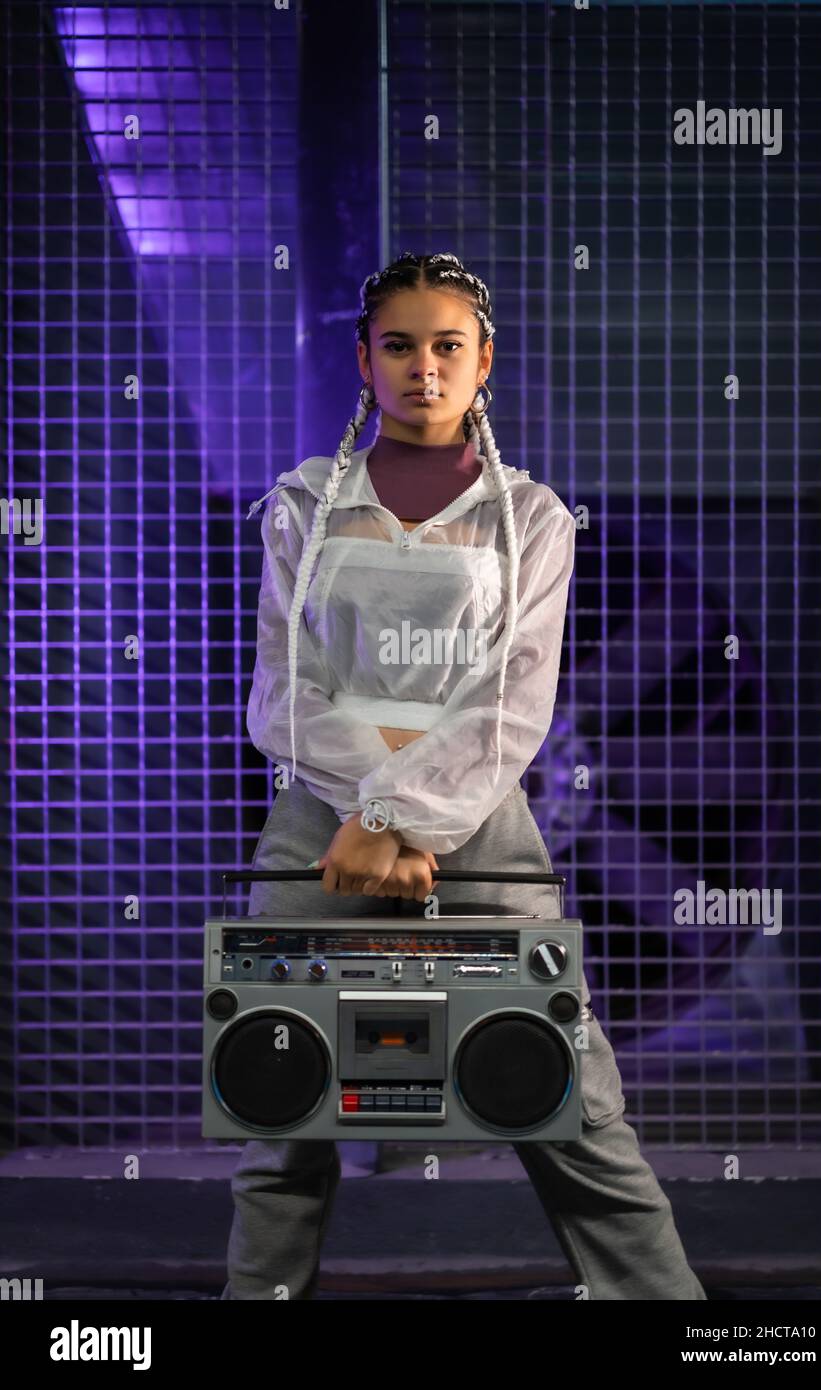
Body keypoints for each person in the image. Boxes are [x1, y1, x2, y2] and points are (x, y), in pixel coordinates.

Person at [221, 251, 706, 1301]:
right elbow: (279, 694)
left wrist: (394, 815)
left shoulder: (531, 519)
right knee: (277, 1107)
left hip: (478, 835)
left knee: (566, 1100)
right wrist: (362, 813)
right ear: (364, 360)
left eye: (447, 347)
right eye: (398, 345)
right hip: (318, 837)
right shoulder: (300, 506)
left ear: (483, 363)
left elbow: (509, 706)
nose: (423, 369)